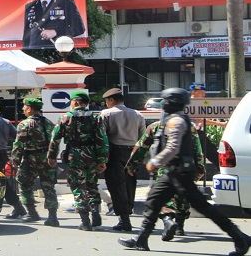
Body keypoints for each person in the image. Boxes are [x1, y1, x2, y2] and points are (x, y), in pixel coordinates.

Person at [118, 88, 251, 255]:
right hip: (173, 172)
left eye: (166, 102)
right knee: (153, 201)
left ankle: (240, 239)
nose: (164, 105)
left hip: (179, 173)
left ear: (171, 103)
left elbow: (173, 147)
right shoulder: (174, 119)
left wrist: (155, 162)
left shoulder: (176, 122)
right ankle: (141, 239)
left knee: (205, 208)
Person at [126, 115, 205, 241]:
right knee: (182, 195)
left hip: (165, 166)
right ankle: (179, 226)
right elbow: (197, 147)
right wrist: (200, 168)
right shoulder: (188, 126)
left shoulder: (156, 126)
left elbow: (141, 146)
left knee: (161, 197)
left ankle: (168, 220)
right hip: (185, 167)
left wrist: (132, 164)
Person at [47, 89, 108, 231]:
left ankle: (85, 221)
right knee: (92, 184)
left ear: (74, 102)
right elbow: (102, 140)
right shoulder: (96, 118)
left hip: (74, 156)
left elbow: (54, 139)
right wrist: (102, 159)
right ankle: (95, 212)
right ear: (86, 103)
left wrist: (51, 156)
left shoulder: (65, 118)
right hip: (91, 155)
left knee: (78, 186)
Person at [99, 87, 146, 232]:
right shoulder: (137, 115)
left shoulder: (106, 114)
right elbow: (143, 138)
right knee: (129, 184)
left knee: (116, 185)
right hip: (132, 152)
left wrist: (102, 158)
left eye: (107, 101)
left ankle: (124, 219)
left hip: (114, 152)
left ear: (111, 100)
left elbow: (102, 137)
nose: (106, 104)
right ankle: (128, 211)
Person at [12, 98, 59, 226]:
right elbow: (55, 142)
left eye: (24, 107)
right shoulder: (49, 123)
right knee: (49, 187)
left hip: (30, 158)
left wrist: (15, 160)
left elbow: (18, 144)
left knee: (23, 183)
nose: (23, 109)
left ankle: (32, 213)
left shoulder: (25, 124)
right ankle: (53, 217)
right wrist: (53, 157)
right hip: (47, 158)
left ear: (30, 109)